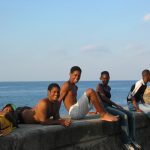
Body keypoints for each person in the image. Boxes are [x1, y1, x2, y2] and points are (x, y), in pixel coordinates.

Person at [96, 71, 141, 150]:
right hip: (104, 108)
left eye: (106, 78)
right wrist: (116, 105)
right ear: (100, 78)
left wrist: (115, 106)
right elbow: (103, 98)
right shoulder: (99, 86)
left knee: (131, 115)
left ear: (109, 78)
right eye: (103, 78)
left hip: (110, 107)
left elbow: (107, 100)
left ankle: (132, 140)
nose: (105, 80)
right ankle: (126, 142)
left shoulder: (108, 87)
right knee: (124, 116)